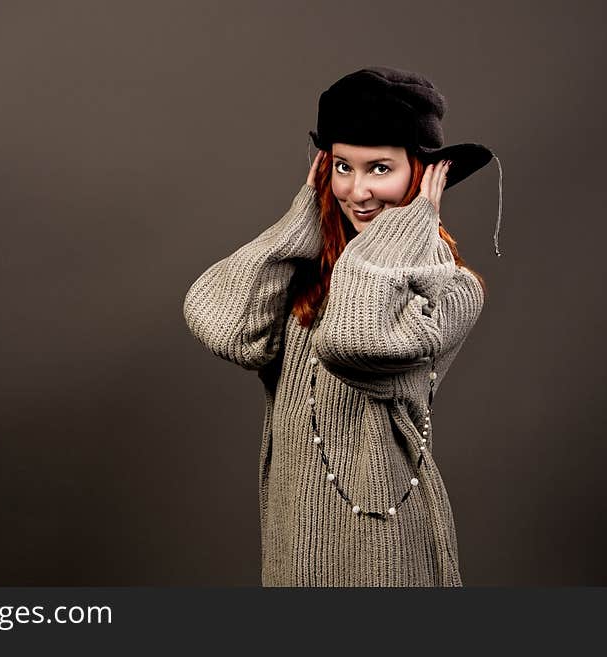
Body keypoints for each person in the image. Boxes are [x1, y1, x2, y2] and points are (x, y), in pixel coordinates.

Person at [183, 66, 503, 586]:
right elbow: (222, 326)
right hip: (295, 539)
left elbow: (352, 344)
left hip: (385, 545)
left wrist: (405, 228)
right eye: (342, 167)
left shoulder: (451, 290)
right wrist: (301, 220)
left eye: (380, 168)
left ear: (423, 175)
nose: (357, 191)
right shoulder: (307, 268)